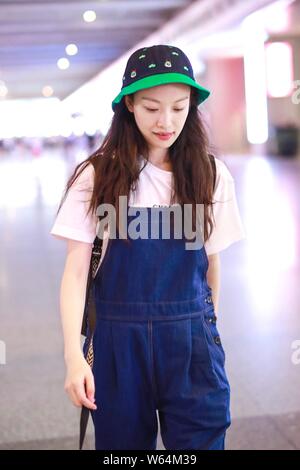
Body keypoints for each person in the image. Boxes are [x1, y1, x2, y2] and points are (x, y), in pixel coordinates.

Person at [50, 44, 245, 450]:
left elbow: (212, 264)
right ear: (129, 106)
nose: (166, 121)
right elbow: (75, 271)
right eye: (152, 107)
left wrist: (206, 335)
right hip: (118, 343)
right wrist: (73, 355)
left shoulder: (209, 174)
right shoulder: (99, 176)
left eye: (179, 107)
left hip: (191, 338)